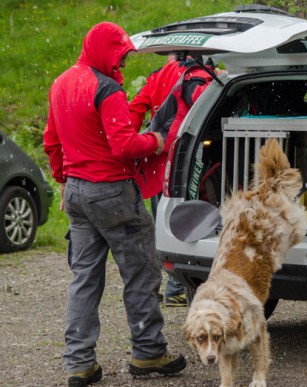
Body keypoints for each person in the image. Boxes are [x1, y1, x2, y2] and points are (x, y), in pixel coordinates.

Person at [43, 22, 186, 386]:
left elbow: (52, 143)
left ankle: (79, 363)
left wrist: (64, 181)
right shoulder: (107, 90)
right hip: (113, 192)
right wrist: (156, 141)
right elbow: (123, 145)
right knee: (140, 273)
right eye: (119, 57)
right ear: (105, 50)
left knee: (85, 280)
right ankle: (148, 352)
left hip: (77, 193)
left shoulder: (61, 83)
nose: (121, 65)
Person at [130, 54, 214, 307]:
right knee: (189, 217)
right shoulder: (201, 74)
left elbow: (135, 108)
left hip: (158, 158)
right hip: (187, 156)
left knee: (160, 221)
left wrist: (135, 143)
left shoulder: (156, 76)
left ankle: (161, 284)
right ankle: (178, 284)